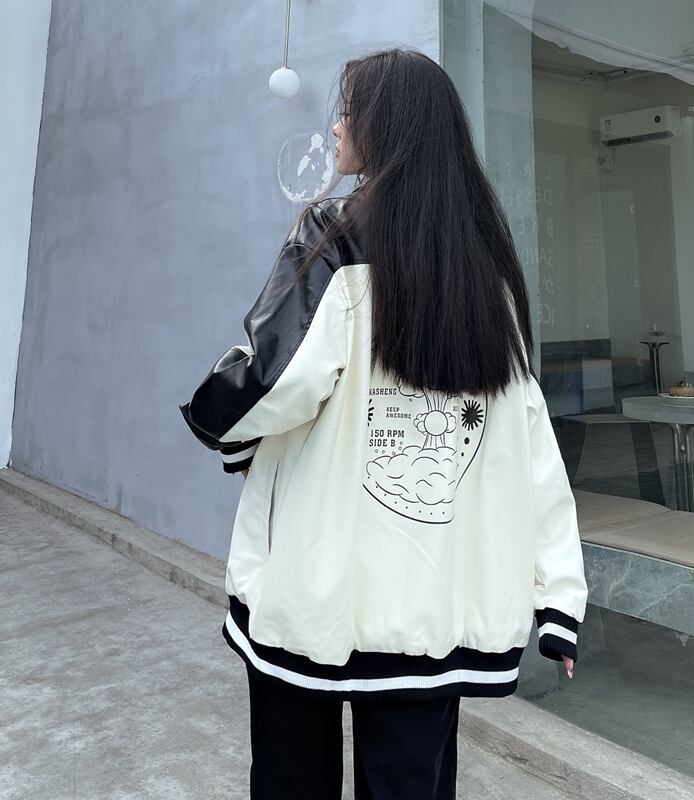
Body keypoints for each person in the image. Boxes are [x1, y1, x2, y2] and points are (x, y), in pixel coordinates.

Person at [179, 46, 588, 800]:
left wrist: (214, 417)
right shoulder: (484, 268)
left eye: (347, 112)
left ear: (384, 128)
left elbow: (272, 380)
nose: (335, 128)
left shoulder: (334, 236)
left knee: (292, 777)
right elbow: (528, 438)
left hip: (315, 586)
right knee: (411, 785)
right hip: (431, 607)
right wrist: (557, 594)